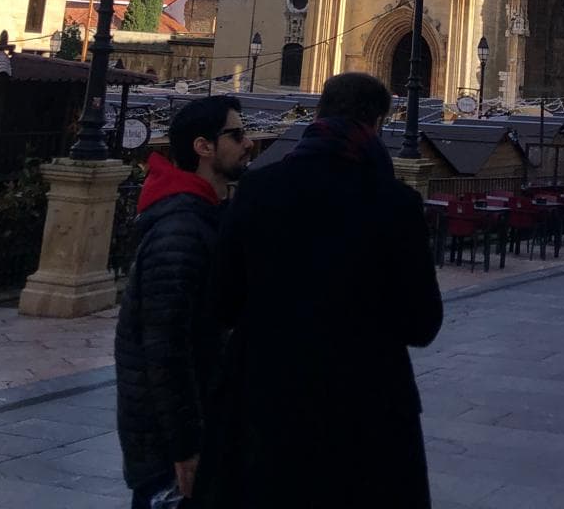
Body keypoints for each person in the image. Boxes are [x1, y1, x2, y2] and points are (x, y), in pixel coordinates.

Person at [212, 72, 443, 507]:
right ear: (377, 124)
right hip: (366, 414)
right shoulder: (395, 204)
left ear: (317, 113)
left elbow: (223, 303)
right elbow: (422, 324)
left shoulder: (258, 189)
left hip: (267, 407)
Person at [115, 95, 253, 509]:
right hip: (170, 454)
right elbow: (166, 349)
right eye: (237, 134)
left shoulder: (206, 217)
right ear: (203, 147)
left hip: (199, 433)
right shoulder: (180, 229)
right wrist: (185, 447)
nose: (249, 143)